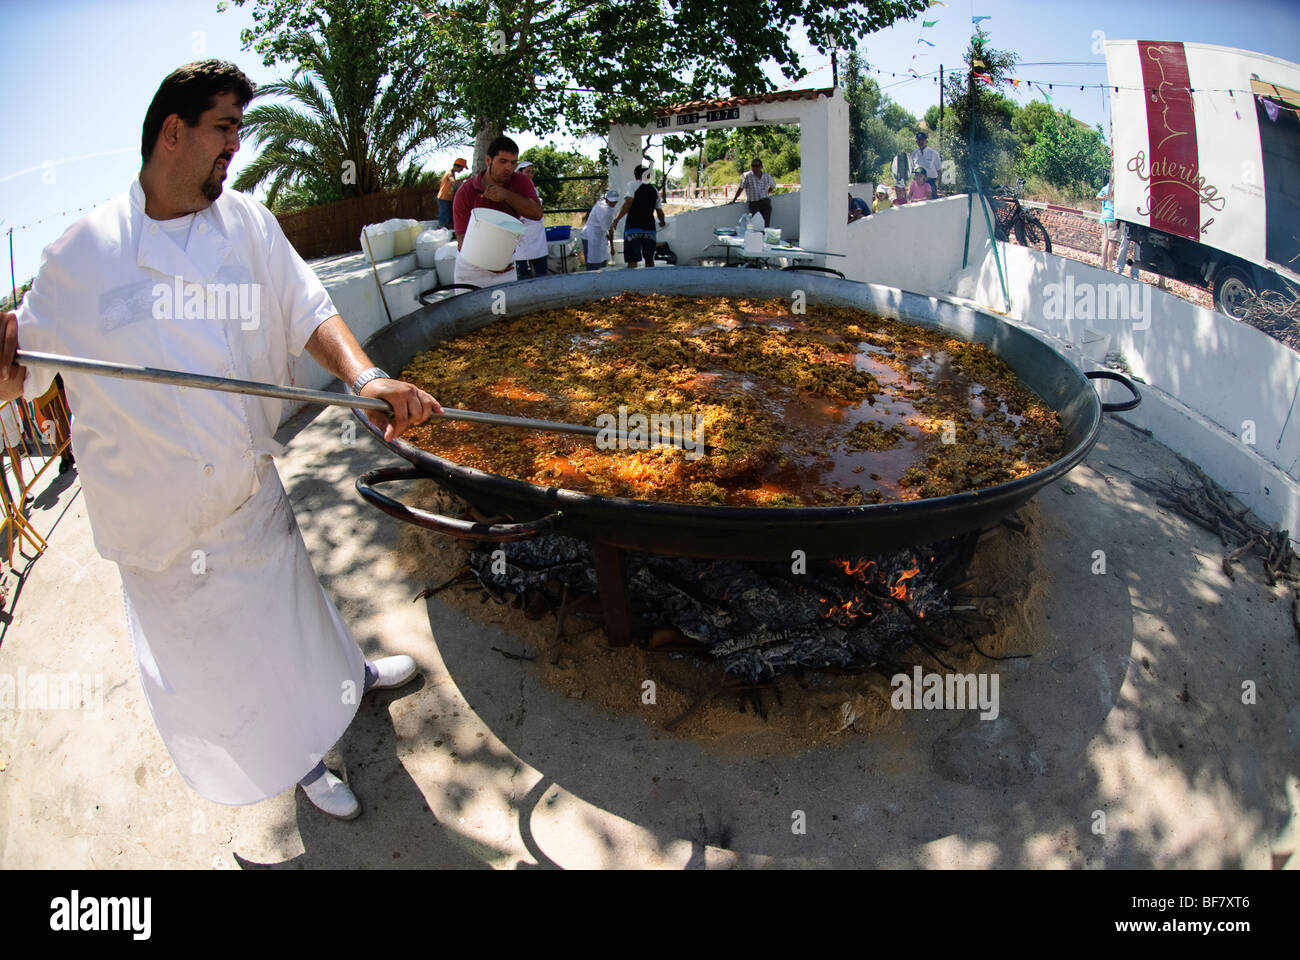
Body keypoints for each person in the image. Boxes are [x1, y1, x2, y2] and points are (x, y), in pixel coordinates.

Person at [0, 60, 441, 821]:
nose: (235, 145)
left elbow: (307, 305)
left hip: (245, 492)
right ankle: (300, 760)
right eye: (224, 128)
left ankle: (348, 678)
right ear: (173, 131)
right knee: (235, 668)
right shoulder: (79, 255)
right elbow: (23, 378)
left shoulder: (245, 223)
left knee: (298, 614)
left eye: (240, 128)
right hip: (162, 529)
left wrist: (365, 379)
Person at [451, 135, 543, 288]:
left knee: (505, 311)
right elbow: (461, 238)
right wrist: (490, 262)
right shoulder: (466, 191)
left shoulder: (520, 181)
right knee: (471, 311)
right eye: (503, 161)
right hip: (471, 268)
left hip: (505, 265)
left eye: (513, 163)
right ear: (488, 160)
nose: (508, 167)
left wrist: (505, 194)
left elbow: (536, 213)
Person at [610, 165, 666, 268]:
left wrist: (617, 219)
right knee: (649, 260)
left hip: (633, 228)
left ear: (636, 176)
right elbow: (659, 210)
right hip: (649, 229)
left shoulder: (632, 185)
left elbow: (628, 203)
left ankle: (632, 283)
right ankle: (649, 282)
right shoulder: (654, 189)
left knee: (632, 260)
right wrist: (662, 221)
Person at [511, 160, 549, 280]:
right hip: (522, 231)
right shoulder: (513, 190)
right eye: (527, 172)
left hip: (536, 231)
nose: (530, 174)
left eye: (532, 172)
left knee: (541, 269)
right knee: (523, 270)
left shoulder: (534, 189)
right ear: (519, 173)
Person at [581, 189, 620, 270]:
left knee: (602, 261)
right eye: (611, 202)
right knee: (593, 264)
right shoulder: (603, 209)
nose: (613, 204)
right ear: (606, 199)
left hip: (600, 234)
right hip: (590, 236)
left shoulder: (607, 206)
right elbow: (610, 230)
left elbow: (609, 228)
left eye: (615, 202)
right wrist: (612, 247)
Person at [731, 158, 777, 226]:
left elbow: (773, 185)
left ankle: (765, 236)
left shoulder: (766, 176)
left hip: (765, 202)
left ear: (761, 166)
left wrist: (767, 192)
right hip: (754, 203)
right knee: (756, 225)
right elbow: (741, 188)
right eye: (753, 166)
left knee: (766, 224)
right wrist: (734, 200)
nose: (754, 168)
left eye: (757, 166)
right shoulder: (747, 176)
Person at [437, 157, 467, 229]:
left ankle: (447, 231)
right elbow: (454, 183)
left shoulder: (452, 173)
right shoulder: (450, 173)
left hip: (448, 198)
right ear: (457, 166)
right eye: (462, 168)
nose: (462, 170)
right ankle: (441, 231)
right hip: (443, 198)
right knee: (444, 217)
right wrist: (466, 179)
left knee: (449, 217)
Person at [910, 131, 940, 198]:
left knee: (933, 204)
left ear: (926, 141)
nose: (920, 142)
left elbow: (939, 169)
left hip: (930, 182)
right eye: (918, 140)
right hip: (918, 183)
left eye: (922, 140)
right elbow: (912, 168)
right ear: (916, 142)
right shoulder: (914, 154)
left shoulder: (933, 153)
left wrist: (939, 184)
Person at [1097, 176, 1118, 271]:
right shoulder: (1118, 188)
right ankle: (1110, 266)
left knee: (1105, 241)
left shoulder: (1106, 187)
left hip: (1105, 216)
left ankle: (1103, 264)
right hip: (1113, 216)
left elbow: (1097, 196)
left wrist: (1104, 198)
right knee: (1112, 243)